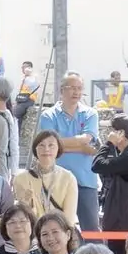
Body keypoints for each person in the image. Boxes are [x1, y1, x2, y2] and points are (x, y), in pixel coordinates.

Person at [37, 74, 103, 231]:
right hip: (56, 182)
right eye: (72, 88)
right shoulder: (49, 115)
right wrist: (80, 147)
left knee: (91, 230)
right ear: (61, 90)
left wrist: (59, 146)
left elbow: (87, 139)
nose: (77, 92)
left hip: (86, 180)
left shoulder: (90, 113)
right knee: (57, 229)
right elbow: (49, 144)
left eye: (80, 88)